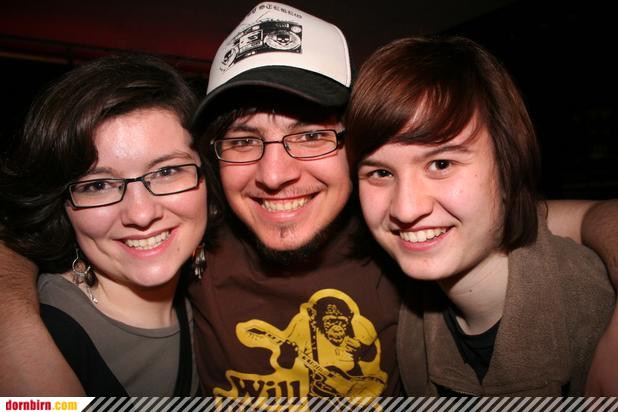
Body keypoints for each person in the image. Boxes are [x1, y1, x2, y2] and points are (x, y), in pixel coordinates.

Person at [0, 1, 617, 397]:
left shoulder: (403, 241)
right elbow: (30, 241)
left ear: (360, 145)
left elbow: (577, 216)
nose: (274, 174)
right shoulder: (188, 246)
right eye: (244, 140)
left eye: (312, 134)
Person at [345, 35, 615, 395]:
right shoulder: (411, 326)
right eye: (381, 172)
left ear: (507, 166)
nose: (406, 209)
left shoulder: (593, 317)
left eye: (441, 164)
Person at [0, 54, 213, 395]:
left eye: (167, 171)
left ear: (207, 178)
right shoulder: (41, 338)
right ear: (61, 205)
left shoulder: (210, 305)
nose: (141, 214)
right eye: (98, 185)